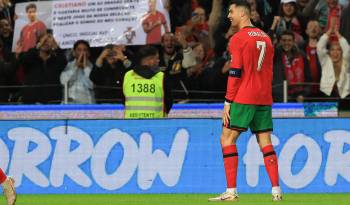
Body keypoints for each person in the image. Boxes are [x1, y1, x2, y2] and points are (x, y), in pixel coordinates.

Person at [208, 1, 282, 202]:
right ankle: (276, 190)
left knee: (226, 139)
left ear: (242, 13)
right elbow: (269, 71)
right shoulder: (266, 38)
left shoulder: (238, 38)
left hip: (244, 96)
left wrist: (227, 101)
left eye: (231, 12)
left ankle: (231, 191)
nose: (229, 15)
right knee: (264, 141)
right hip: (264, 96)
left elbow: (235, 72)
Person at [123, 45, 172, 118]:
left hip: (131, 123)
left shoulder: (128, 75)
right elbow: (168, 101)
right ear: (150, 60)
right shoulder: (161, 77)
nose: (158, 61)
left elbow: (124, 99)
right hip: (156, 123)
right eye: (157, 58)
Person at [18, 33, 67, 104]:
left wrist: (57, 48)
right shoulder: (31, 57)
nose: (46, 43)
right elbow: (23, 60)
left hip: (51, 102)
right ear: (39, 43)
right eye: (44, 41)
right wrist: (38, 46)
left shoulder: (56, 60)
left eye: (48, 41)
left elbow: (64, 63)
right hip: (31, 101)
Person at [60, 40, 95, 104]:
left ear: (89, 53)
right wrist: (75, 67)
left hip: (87, 106)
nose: (82, 53)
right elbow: (63, 82)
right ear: (74, 52)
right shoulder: (67, 65)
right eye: (79, 50)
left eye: (85, 50)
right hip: (69, 105)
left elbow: (91, 85)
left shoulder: (93, 67)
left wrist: (85, 68)